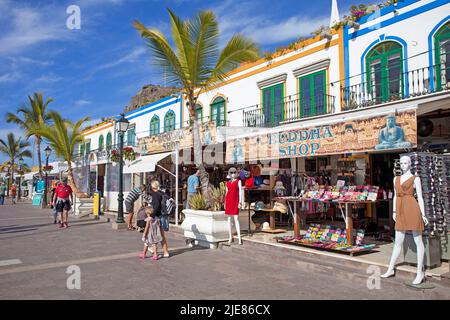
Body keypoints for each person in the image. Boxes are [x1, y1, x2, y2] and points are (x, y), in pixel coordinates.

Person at [381, 156, 428, 285]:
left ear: (410, 164)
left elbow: (421, 198)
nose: (403, 165)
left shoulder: (415, 178)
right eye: (401, 163)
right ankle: (390, 268)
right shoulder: (396, 178)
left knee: (418, 240)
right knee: (398, 241)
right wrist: (395, 212)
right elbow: (396, 196)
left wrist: (423, 215)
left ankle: (420, 272)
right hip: (400, 210)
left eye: (406, 162)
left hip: (412, 208)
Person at [148, 180, 170, 258]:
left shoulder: (155, 194)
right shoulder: (163, 193)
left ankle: (154, 251)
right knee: (162, 234)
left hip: (158, 216)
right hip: (164, 216)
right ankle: (165, 252)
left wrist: (151, 216)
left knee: (155, 234)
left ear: (152, 187)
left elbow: (156, 206)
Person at [224, 167, 243, 245]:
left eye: (234, 172)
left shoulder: (239, 181)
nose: (233, 174)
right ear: (229, 173)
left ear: (236, 173)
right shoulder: (227, 183)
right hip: (228, 201)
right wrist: (225, 202)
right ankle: (230, 237)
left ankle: (239, 238)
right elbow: (226, 193)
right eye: (231, 173)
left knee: (236, 219)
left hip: (235, 201)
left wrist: (240, 202)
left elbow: (240, 192)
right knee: (229, 219)